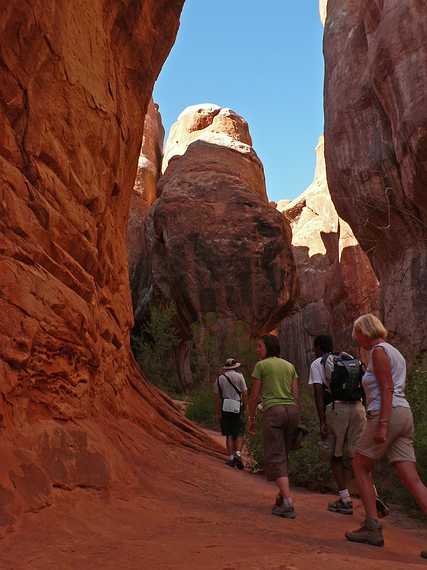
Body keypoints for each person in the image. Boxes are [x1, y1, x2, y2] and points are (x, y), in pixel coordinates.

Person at [346, 314, 427, 556]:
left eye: (357, 333)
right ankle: (372, 524)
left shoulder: (378, 351)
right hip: (403, 414)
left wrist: (382, 424)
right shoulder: (394, 351)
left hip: (387, 414)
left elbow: (387, 387)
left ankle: (372, 527)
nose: (356, 338)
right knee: (412, 480)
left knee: (360, 465)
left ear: (365, 332)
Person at [309, 335, 367, 515]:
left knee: (336, 456)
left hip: (337, 409)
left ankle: (345, 499)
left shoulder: (318, 363)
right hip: (358, 408)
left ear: (318, 348)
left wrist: (322, 423)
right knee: (357, 456)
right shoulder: (348, 359)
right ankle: (371, 495)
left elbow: (318, 393)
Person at [248, 335, 299, 519]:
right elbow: (295, 394)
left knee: (275, 455)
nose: (257, 350)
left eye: (259, 346)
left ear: (268, 347)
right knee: (284, 453)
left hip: (273, 411)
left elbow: (254, 396)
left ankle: (287, 501)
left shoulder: (261, 366)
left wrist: (251, 417)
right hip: (292, 411)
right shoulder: (290, 366)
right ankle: (281, 495)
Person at [214, 358, 248, 470]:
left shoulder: (220, 378)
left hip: (225, 406)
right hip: (237, 406)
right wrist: (245, 406)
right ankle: (238, 454)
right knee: (238, 431)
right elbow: (245, 392)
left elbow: (217, 397)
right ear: (235, 367)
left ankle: (231, 457)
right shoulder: (239, 376)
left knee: (228, 433)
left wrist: (218, 412)